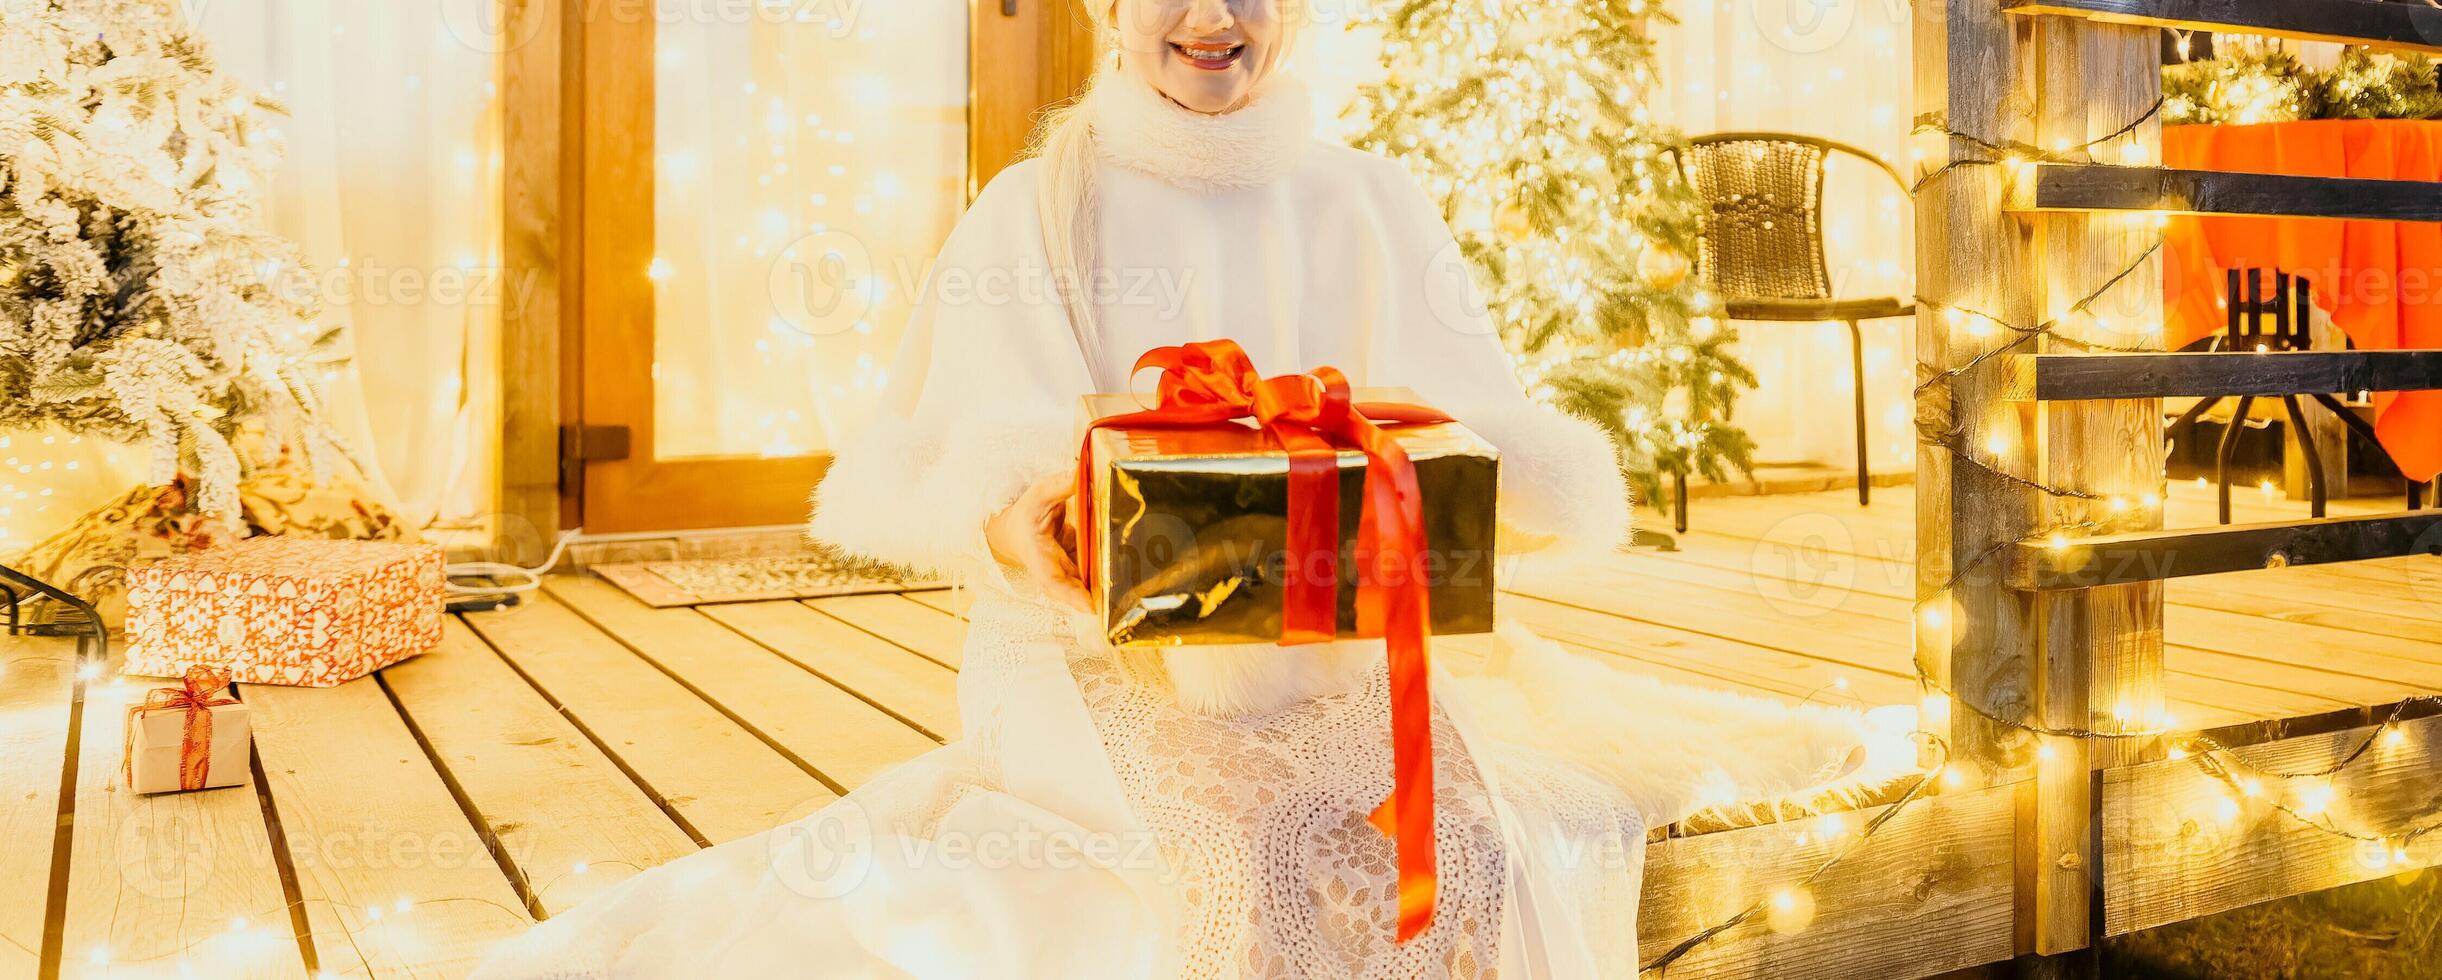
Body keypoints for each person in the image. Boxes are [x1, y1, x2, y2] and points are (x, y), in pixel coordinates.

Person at [474, 1, 1891, 975]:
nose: (1211, 14)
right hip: (1092, 652)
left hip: (1330, 646)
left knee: (1458, 848)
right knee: (1222, 866)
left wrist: (1447, 499)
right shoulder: (1034, 208)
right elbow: (962, 457)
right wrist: (1022, 513)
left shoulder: (1366, 199)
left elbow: (1478, 433)